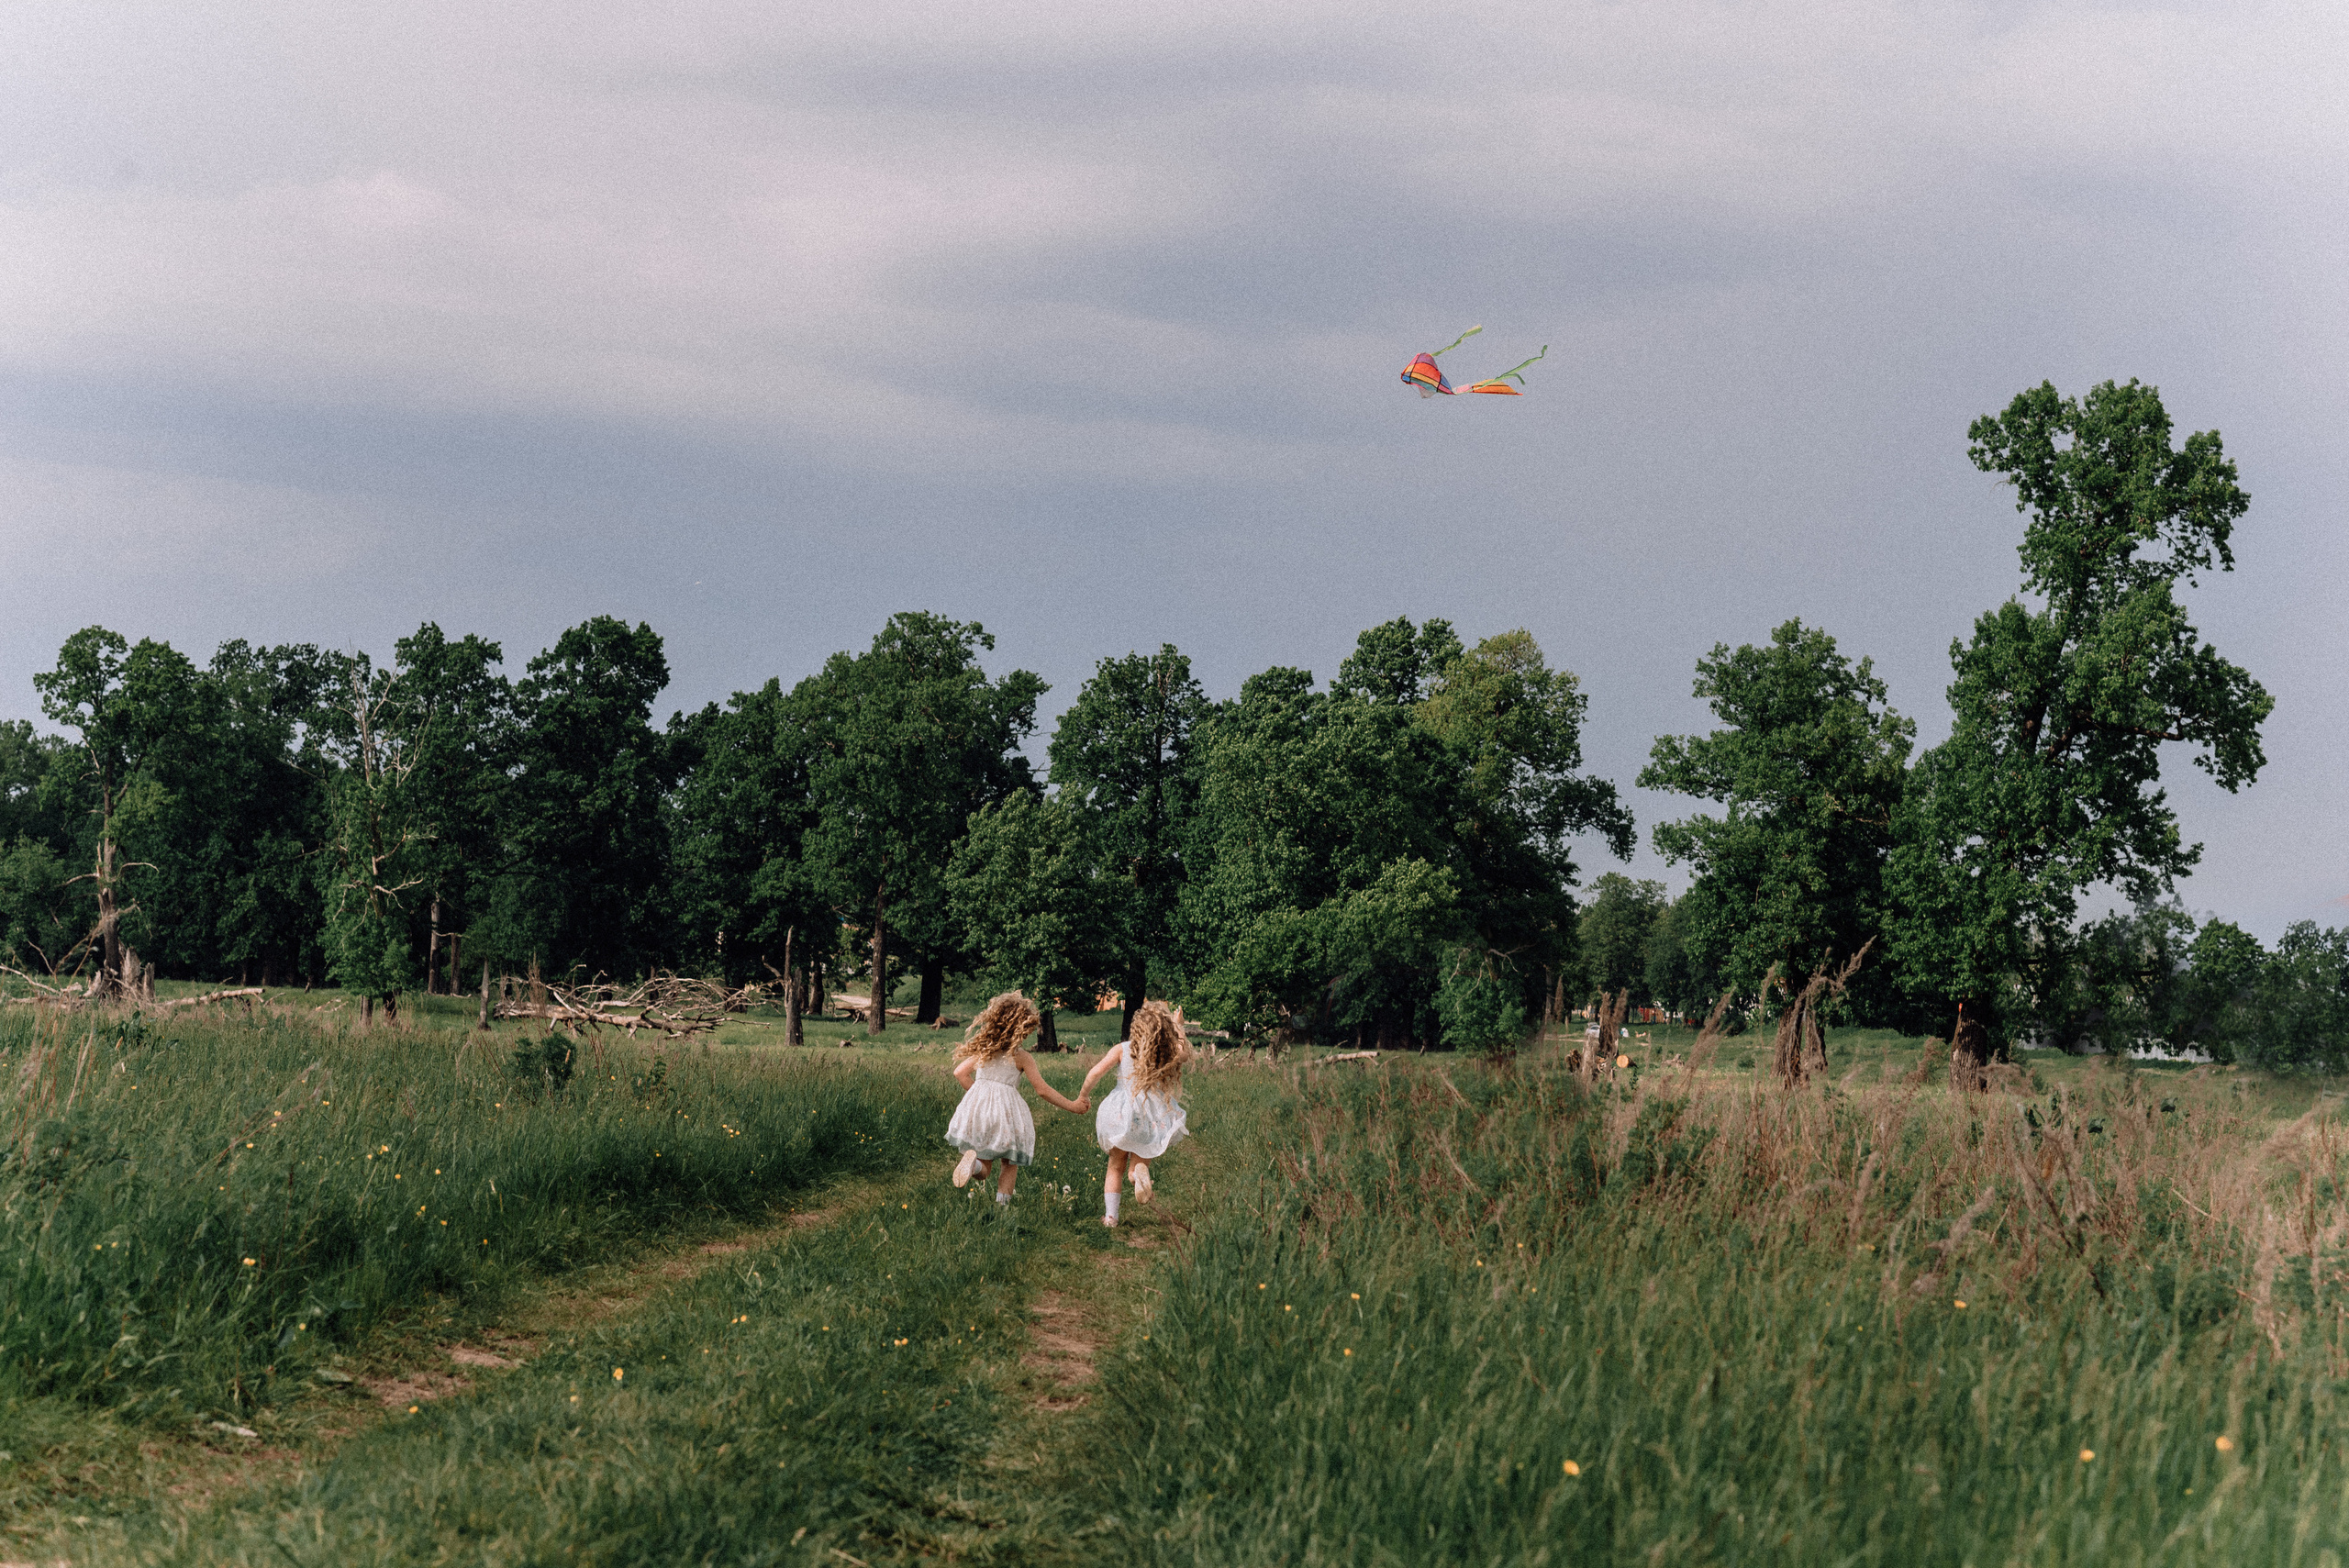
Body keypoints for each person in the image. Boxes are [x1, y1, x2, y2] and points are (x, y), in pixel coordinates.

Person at [946, 991, 1088, 1207]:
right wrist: (1073, 1106)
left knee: (984, 1169)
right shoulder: (1021, 1057)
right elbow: (1042, 1090)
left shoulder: (986, 1050)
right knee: (1009, 1162)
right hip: (1006, 1116)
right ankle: (1002, 1208)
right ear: (1021, 1029)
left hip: (980, 1113)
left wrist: (980, 1096)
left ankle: (973, 1166)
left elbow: (959, 1073)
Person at [1078, 998, 1191, 1227]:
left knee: (1115, 1166)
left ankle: (1111, 1217)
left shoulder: (1123, 1049)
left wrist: (1083, 1095)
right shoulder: (1163, 1052)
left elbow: (1095, 1072)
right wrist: (1178, 1026)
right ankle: (1138, 1176)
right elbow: (1184, 1054)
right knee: (1137, 1163)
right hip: (1149, 1116)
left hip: (1122, 1114)